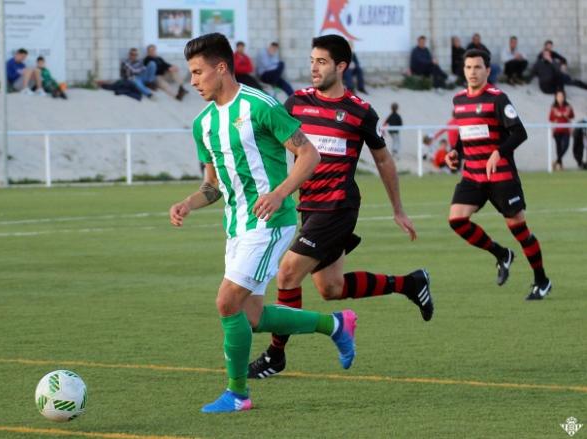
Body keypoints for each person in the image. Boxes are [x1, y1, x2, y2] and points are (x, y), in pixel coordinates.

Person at [171, 32, 357, 414]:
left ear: (221, 68)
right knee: (251, 317)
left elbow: (309, 155)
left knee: (226, 303)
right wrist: (188, 203)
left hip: (272, 222)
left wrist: (280, 193)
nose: (193, 82)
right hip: (237, 227)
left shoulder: (260, 106)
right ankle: (335, 325)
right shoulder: (202, 124)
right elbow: (213, 185)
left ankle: (237, 394)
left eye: (198, 72)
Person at [248, 34, 433, 380]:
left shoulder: (361, 112)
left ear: (341, 66)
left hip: (338, 207)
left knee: (287, 273)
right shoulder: (295, 103)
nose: (314, 68)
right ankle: (410, 283)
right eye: (312, 61)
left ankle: (276, 355)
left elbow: (384, 161)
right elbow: (272, 142)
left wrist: (398, 209)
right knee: (330, 288)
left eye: (321, 62)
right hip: (309, 207)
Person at [445, 49, 551, 300]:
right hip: (472, 175)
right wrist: (455, 152)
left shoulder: (497, 99)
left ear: (487, 71)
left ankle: (542, 281)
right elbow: (466, 133)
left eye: (478, 67)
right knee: (456, 220)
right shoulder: (459, 100)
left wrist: (498, 153)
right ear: (464, 71)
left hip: (501, 177)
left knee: (520, 230)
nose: (473, 72)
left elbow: (519, 133)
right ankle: (502, 254)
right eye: (469, 67)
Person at [548, 90, 574, 171]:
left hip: (566, 130)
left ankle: (556, 161)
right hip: (557, 130)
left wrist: (566, 115)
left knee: (566, 145)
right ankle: (560, 165)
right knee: (558, 148)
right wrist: (557, 116)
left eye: (562, 96)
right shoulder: (553, 107)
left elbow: (572, 116)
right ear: (556, 97)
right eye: (558, 96)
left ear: (564, 97)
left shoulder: (568, 106)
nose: (560, 98)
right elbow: (550, 118)